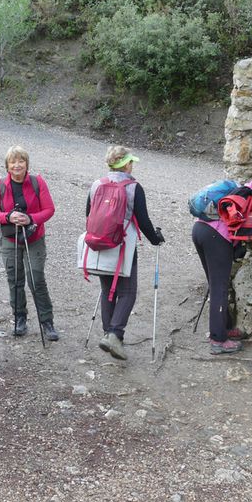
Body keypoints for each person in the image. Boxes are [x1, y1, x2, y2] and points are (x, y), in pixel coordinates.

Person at [86, 145, 164, 361]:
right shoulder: (134, 188)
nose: (132, 165)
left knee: (107, 289)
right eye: (131, 162)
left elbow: (88, 214)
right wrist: (156, 239)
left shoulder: (96, 185)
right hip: (124, 245)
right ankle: (115, 334)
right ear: (126, 164)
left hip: (100, 244)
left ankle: (108, 333)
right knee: (127, 292)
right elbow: (144, 221)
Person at [192, 177, 252, 354]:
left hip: (199, 230)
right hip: (216, 237)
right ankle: (218, 340)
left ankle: (223, 328)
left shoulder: (245, 188)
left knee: (216, 285)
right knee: (219, 288)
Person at [0, 145, 59, 340]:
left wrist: (31, 218)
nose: (17, 165)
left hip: (34, 238)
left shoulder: (37, 182)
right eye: (12, 162)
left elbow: (49, 210)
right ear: (7, 166)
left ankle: (47, 321)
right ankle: (20, 319)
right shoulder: (1, 184)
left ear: (27, 164)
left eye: (21, 161)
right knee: (15, 280)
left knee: (36, 278)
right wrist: (8, 217)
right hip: (10, 239)